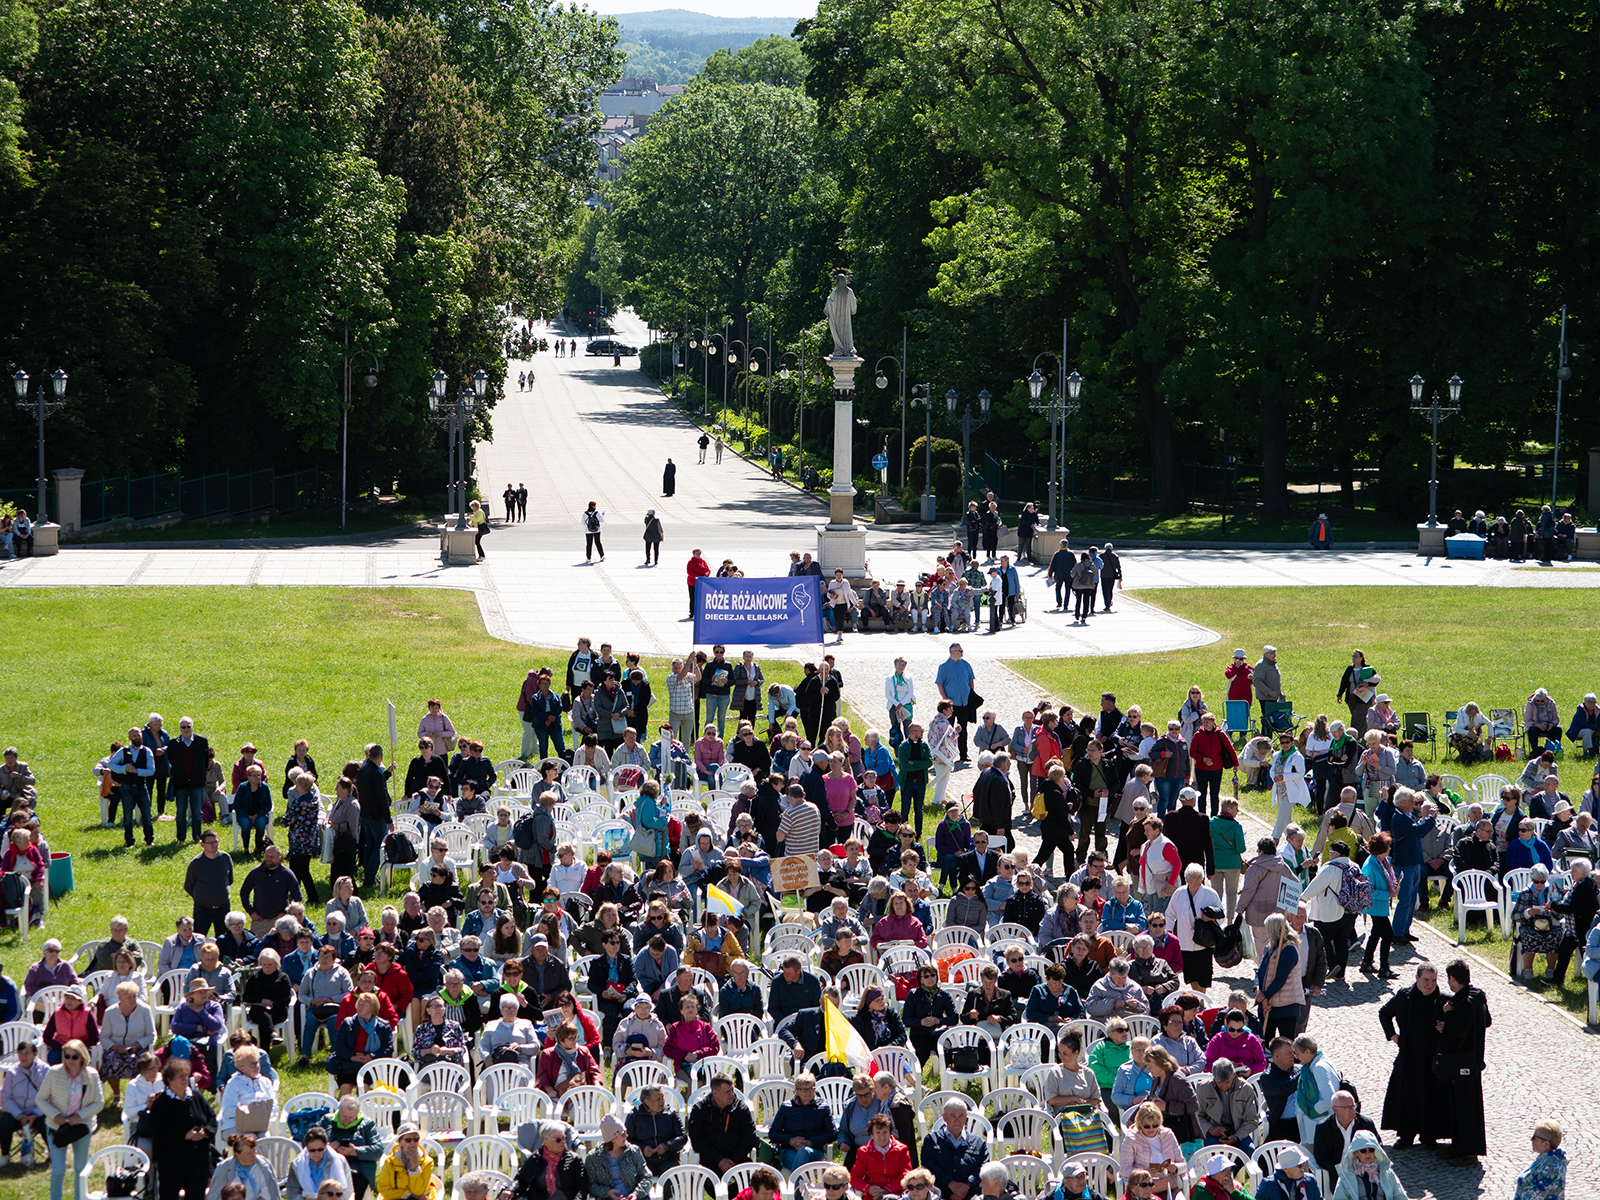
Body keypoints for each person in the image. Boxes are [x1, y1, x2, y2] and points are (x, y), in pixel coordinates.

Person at [148, 1058, 216, 1200]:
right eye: (180, 1076)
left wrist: (205, 1132)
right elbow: (159, 1133)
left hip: (198, 1163)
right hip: (172, 1165)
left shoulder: (196, 1096)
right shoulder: (161, 1104)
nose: (185, 1079)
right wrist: (184, 1135)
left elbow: (212, 1118)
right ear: (169, 1080)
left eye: (186, 1075)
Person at [686, 1073, 758, 1174]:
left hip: (737, 1160)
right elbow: (697, 1140)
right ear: (715, 1093)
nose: (732, 1094)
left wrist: (732, 1160)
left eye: (732, 1090)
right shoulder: (700, 1110)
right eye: (727, 1092)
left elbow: (750, 1138)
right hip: (710, 1161)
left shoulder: (740, 1109)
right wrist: (719, 1160)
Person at [1118, 1103, 1184, 1198]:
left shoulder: (1168, 1134)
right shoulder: (1131, 1139)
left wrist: (1175, 1168)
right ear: (1139, 1124)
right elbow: (1124, 1170)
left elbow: (1183, 1163)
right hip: (1143, 1187)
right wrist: (1144, 1173)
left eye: (1155, 1125)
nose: (1151, 1128)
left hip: (1167, 1184)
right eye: (1147, 1126)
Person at [286, 1128, 354, 1200]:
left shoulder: (340, 1161)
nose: (316, 1153)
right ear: (307, 1148)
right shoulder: (296, 1165)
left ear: (325, 1146)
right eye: (312, 1150)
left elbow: (347, 1192)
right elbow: (292, 1195)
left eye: (320, 1149)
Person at [376, 1125, 440, 1200]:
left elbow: (419, 1192)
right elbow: (383, 1189)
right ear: (400, 1143)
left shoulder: (428, 1162)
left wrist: (415, 1166)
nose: (412, 1143)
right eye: (408, 1140)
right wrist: (408, 1194)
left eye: (416, 1139)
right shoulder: (390, 1162)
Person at [1513, 1119, 1567, 1200]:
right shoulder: (1549, 1159)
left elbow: (1537, 1196)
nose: (1531, 1140)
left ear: (1546, 1144)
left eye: (1534, 1138)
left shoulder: (1550, 1166)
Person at [1254, 1145, 1322, 1200]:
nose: (1303, 1168)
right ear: (1285, 1168)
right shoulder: (1268, 1185)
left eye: (1303, 1164)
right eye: (1299, 1165)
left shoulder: (1310, 1181)